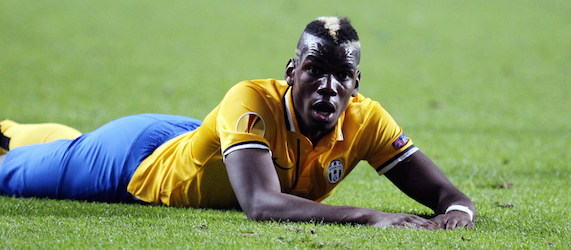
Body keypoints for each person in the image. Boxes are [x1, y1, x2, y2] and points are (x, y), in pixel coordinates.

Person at [0, 16, 475, 230]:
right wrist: (374, 217)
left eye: (342, 75)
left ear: (356, 83)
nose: (328, 86)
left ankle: (13, 130)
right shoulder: (250, 99)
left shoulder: (366, 119)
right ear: (292, 73)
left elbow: (451, 198)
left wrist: (457, 216)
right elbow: (262, 204)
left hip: (204, 141)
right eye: (315, 70)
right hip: (139, 163)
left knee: (53, 146)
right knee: (14, 175)